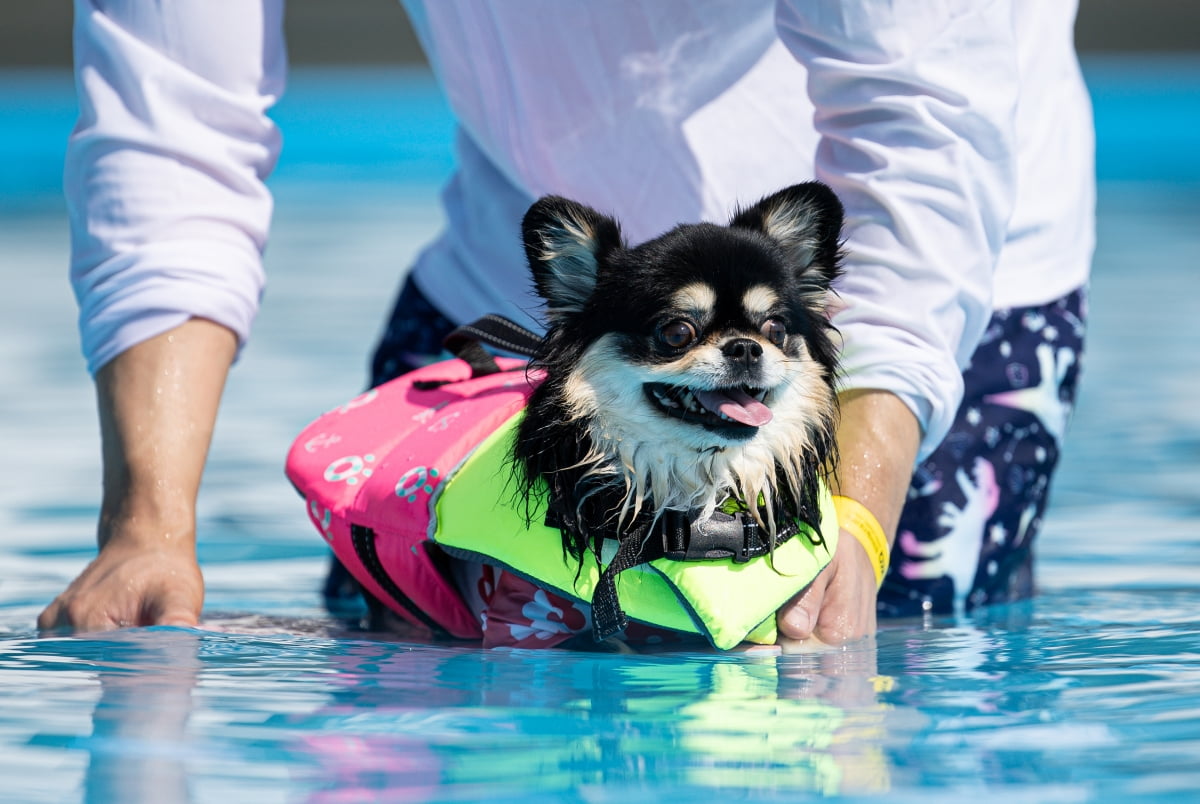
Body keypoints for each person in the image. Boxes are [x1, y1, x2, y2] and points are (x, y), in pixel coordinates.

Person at [39, 0, 1093, 647]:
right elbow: (173, 119)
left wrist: (856, 523)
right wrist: (148, 527)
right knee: (406, 676)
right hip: (534, 279)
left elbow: (921, 115)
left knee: (851, 679)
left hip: (913, 291)